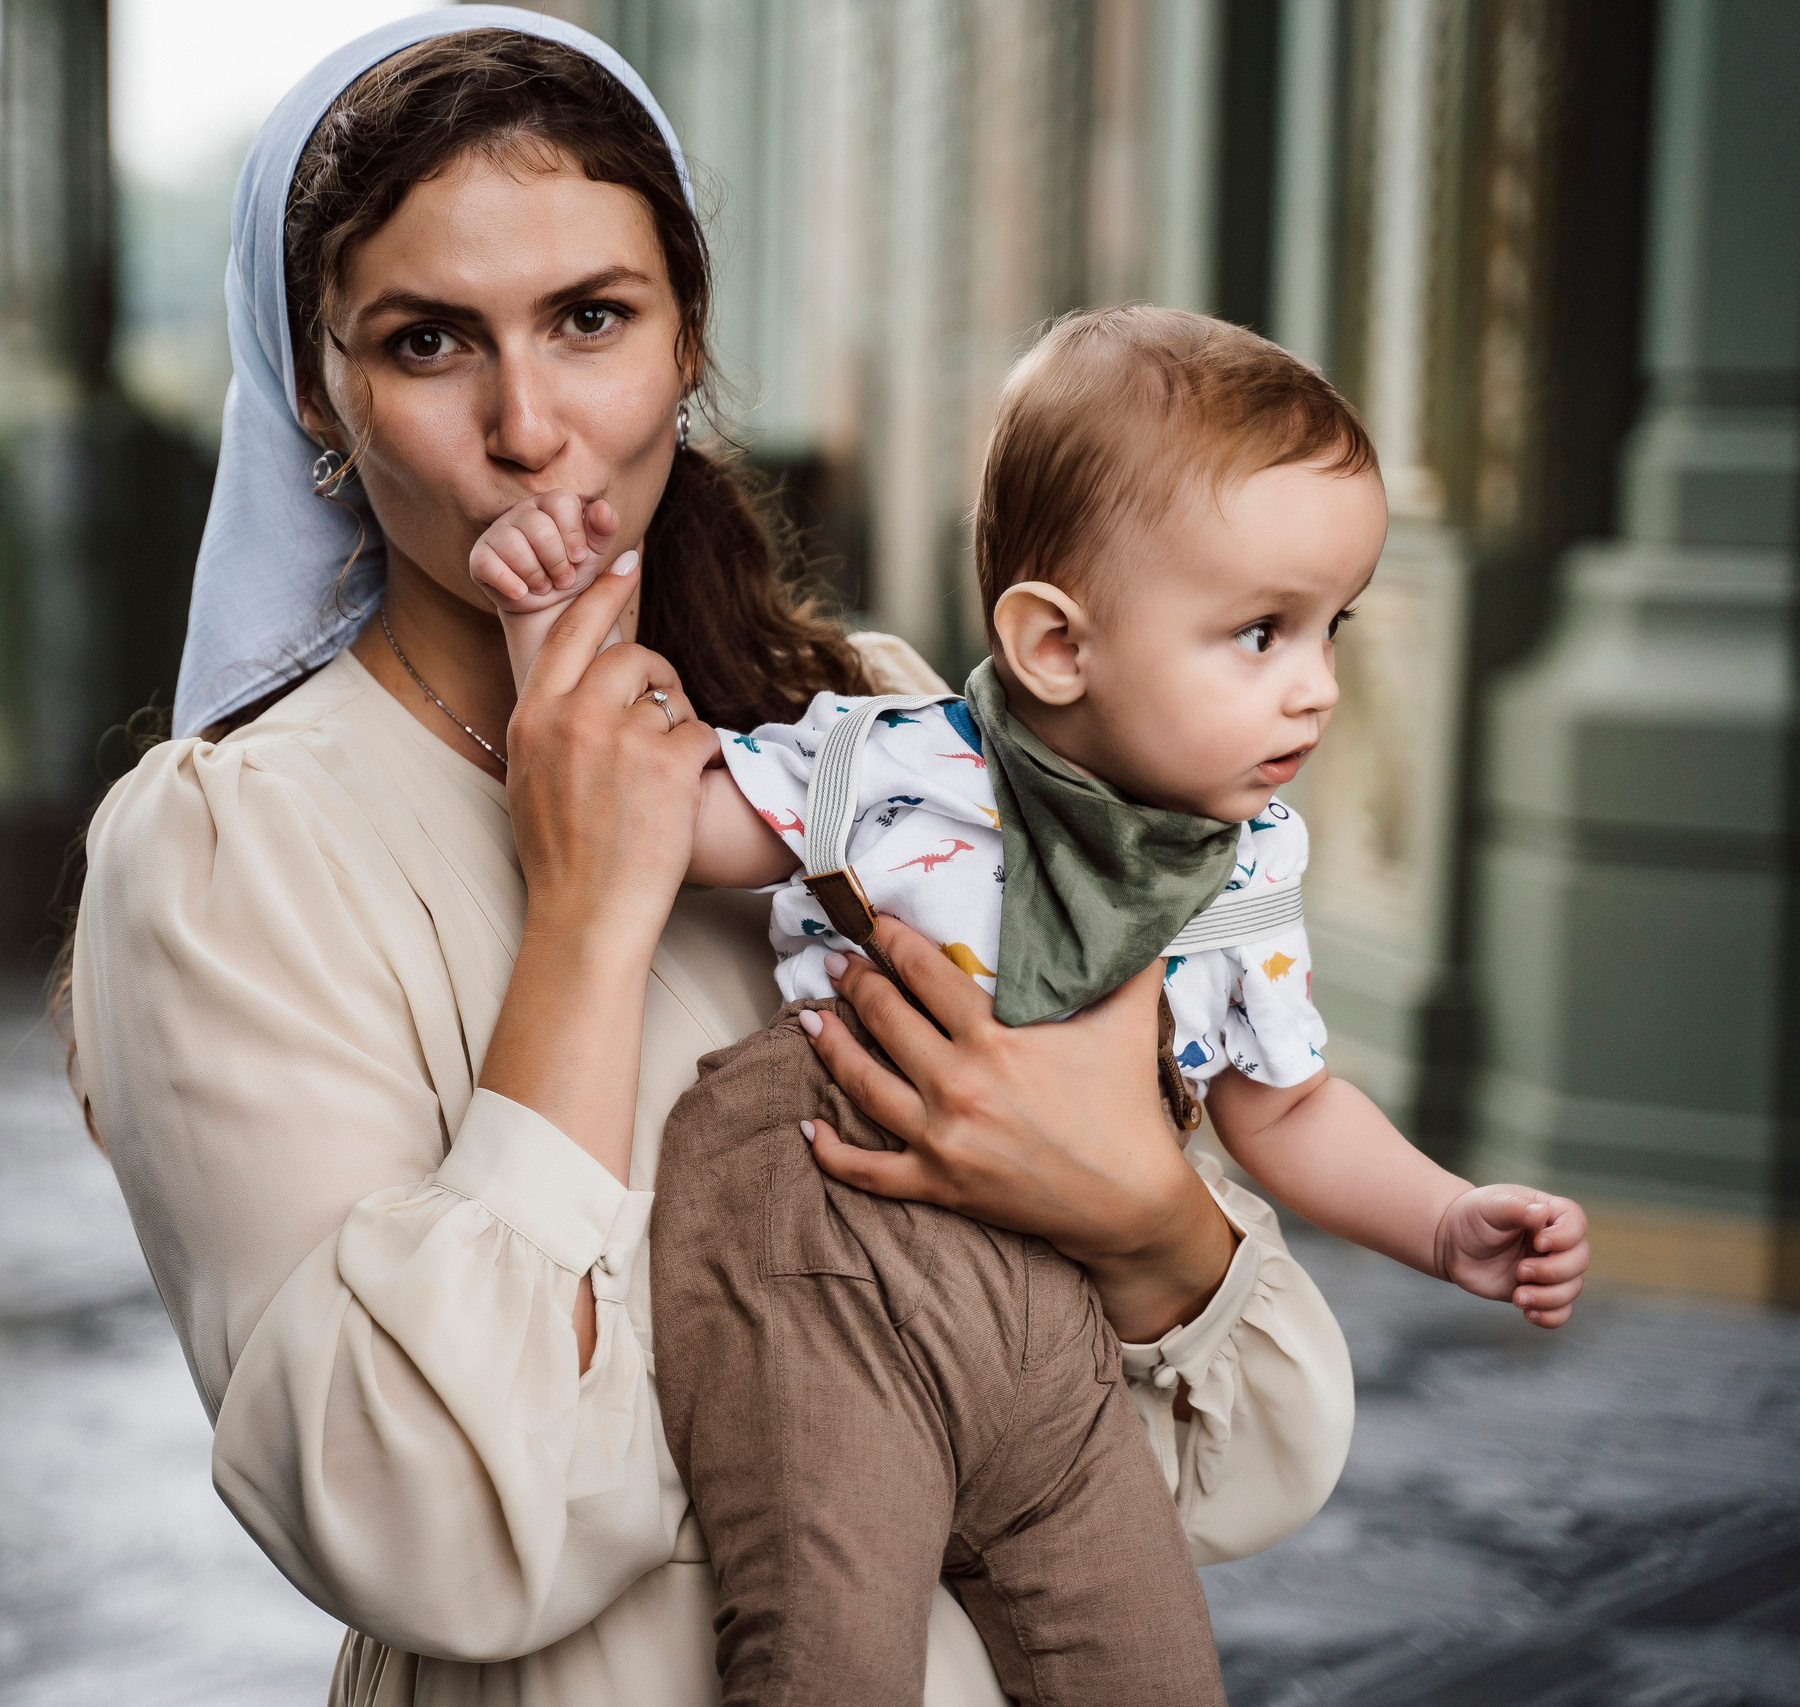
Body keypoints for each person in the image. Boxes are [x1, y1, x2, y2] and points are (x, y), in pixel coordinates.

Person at [65, 13, 1355, 1705]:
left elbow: (1235, 1463)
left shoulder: (891, 739)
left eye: (592, 319)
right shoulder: (229, 847)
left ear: (688, 342)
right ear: (318, 387)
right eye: (431, 341)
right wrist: (589, 918)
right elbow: (438, 1526)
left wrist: (1134, 1218)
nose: (532, 428)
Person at [473, 305, 1594, 1705]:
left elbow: (1287, 1103)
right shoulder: (890, 768)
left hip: (1056, 1314)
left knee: (1148, 1669)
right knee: (829, 1644)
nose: (1316, 691)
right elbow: (635, 818)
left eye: (1331, 631)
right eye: (1259, 635)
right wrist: (546, 630)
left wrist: (1443, 1218)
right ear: (1056, 646)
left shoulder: (1244, 868)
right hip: (831, 1243)